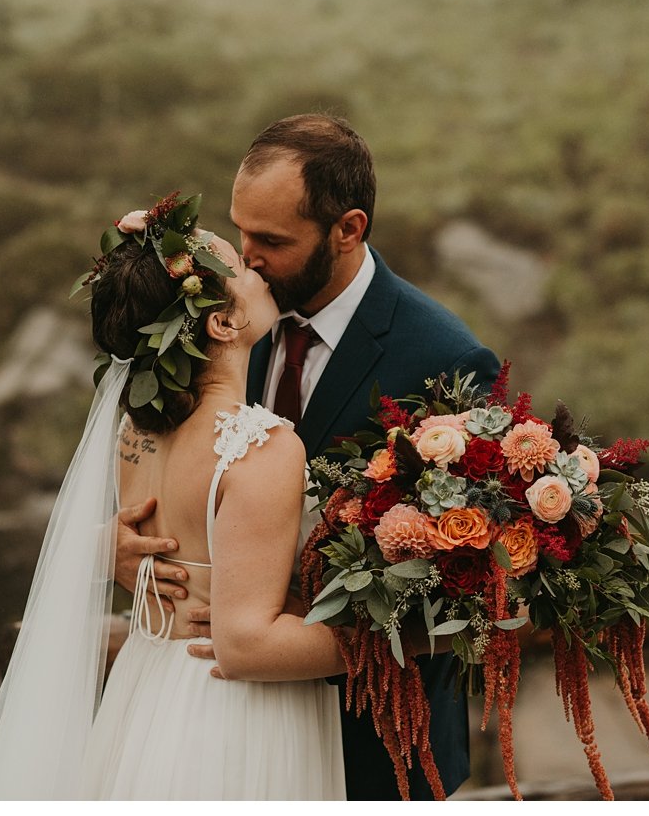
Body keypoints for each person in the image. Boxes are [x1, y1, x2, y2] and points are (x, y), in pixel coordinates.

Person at [116, 114, 499, 800]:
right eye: (239, 231)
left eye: (271, 239)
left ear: (348, 228)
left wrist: (306, 603)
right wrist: (114, 546)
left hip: (376, 741)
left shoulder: (445, 360)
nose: (246, 256)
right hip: (215, 726)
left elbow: (472, 583)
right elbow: (165, 467)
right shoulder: (225, 317)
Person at [0, 194, 351, 799]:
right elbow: (246, 645)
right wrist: (398, 636)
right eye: (240, 269)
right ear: (221, 323)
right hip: (231, 719)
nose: (256, 266)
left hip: (148, 692)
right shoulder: (263, 446)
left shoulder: (131, 433)